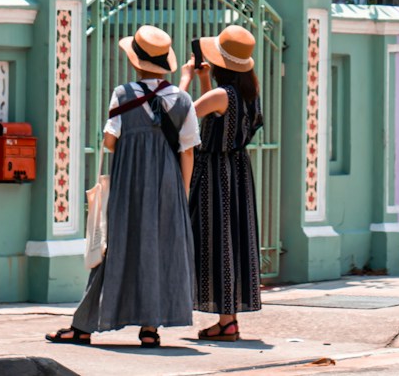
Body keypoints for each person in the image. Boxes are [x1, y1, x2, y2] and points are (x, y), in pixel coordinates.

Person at [49, 25, 198, 348]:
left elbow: (109, 141)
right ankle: (150, 327)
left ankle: (84, 325)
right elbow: (188, 152)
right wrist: (182, 193)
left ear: (135, 62)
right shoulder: (183, 100)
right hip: (169, 186)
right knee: (159, 251)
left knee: (114, 249)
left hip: (129, 184)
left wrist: (137, 143)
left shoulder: (123, 94)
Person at [183, 25, 263, 341]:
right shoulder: (249, 95)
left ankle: (227, 320)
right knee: (232, 240)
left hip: (215, 174)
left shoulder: (221, 95)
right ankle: (228, 319)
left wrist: (187, 77)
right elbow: (216, 114)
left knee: (214, 240)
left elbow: (182, 117)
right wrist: (205, 79)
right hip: (239, 172)